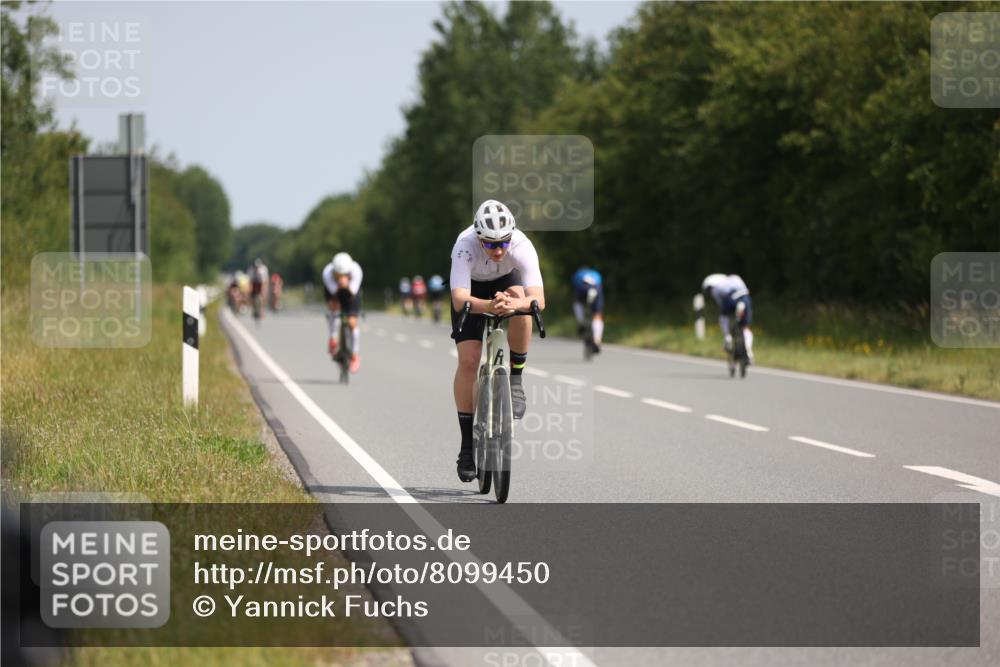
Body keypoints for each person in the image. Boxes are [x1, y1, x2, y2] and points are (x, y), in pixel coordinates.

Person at [449, 199, 545, 482]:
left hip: (506, 280)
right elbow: (459, 300)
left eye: (504, 242)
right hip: (472, 289)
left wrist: (516, 305)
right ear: (479, 238)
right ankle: (467, 447)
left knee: (524, 307)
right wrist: (489, 306)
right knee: (468, 361)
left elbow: (538, 297)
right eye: (491, 244)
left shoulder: (521, 245)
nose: (499, 249)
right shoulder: (464, 246)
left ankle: (515, 380)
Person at [322, 252, 363, 373]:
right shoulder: (327, 273)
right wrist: (340, 284)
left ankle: (355, 355)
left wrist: (346, 284)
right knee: (334, 309)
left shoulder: (356, 271)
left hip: (351, 290)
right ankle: (332, 338)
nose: (341, 277)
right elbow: (335, 295)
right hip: (334, 291)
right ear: (334, 272)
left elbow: (351, 294)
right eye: (338, 275)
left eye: (344, 274)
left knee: (352, 323)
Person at [702, 273, 754, 363]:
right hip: (745, 298)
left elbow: (721, 304)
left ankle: (727, 336)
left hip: (730, 298)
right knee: (745, 327)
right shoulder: (736, 278)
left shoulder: (717, 288)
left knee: (723, 317)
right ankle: (748, 350)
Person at [571, 266, 604, 354]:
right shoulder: (595, 273)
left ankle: (581, 322)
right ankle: (597, 341)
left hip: (582, 289)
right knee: (597, 315)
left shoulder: (578, 274)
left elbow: (575, 287)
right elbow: (600, 284)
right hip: (596, 289)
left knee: (577, 303)